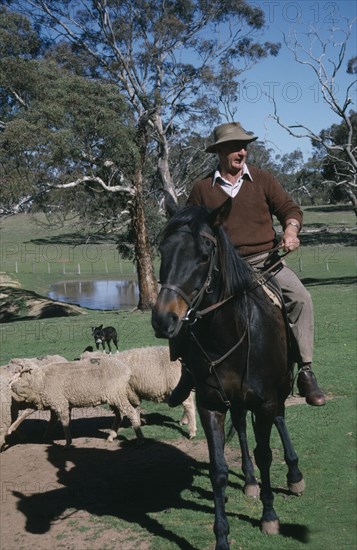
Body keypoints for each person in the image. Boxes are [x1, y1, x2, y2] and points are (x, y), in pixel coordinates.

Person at [169, 121, 326, 407]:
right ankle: (187, 372)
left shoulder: (263, 180)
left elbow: (290, 209)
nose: (242, 151)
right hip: (220, 269)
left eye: (245, 146)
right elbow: (188, 227)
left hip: (265, 263)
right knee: (179, 306)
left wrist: (290, 231)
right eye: (235, 147)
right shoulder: (202, 189)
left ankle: (305, 370)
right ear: (219, 152)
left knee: (302, 298)